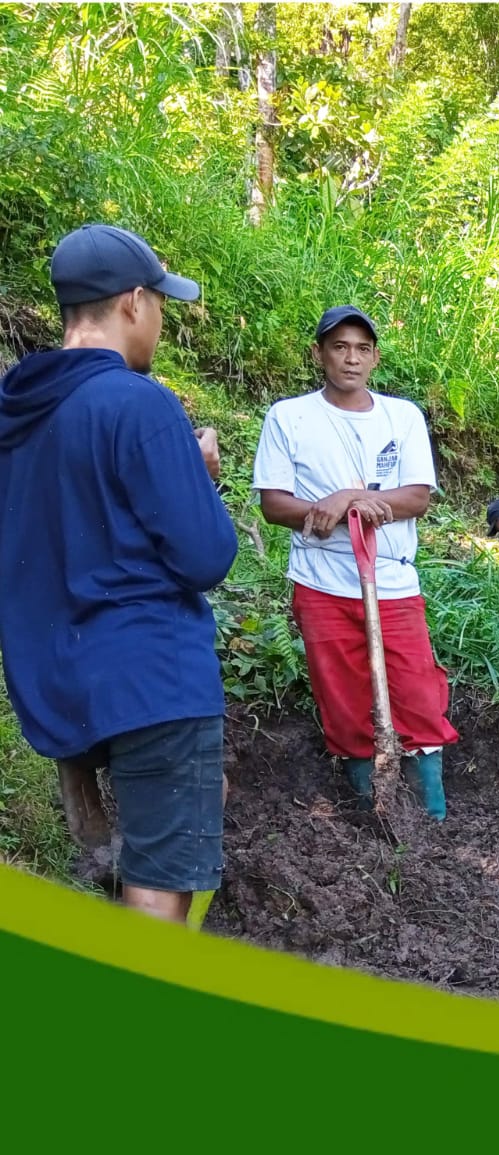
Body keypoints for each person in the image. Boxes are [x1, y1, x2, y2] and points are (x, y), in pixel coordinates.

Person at [0, 223, 237, 924]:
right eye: (160, 303)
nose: (160, 318)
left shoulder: (16, 411)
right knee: (160, 884)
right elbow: (205, 556)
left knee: (191, 810)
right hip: (150, 674)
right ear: (133, 301)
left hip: (56, 677)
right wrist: (196, 474)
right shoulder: (139, 403)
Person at [252, 306, 457, 820]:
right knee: (343, 696)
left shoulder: (402, 417)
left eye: (362, 348)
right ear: (318, 353)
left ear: (375, 358)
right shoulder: (289, 417)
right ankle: (371, 808)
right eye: (340, 347)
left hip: (391, 578)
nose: (351, 358)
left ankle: (430, 813)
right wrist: (348, 505)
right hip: (321, 580)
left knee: (416, 690)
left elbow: (416, 497)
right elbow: (274, 504)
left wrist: (347, 498)